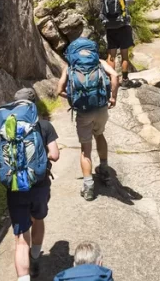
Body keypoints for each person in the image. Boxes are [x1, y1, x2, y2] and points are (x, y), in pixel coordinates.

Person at [0, 87, 60, 280]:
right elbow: (55, 155)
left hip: (16, 186)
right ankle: (35, 258)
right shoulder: (45, 126)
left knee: (20, 240)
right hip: (39, 185)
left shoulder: (7, 129)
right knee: (38, 219)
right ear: (33, 104)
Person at [57, 39, 119, 202]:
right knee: (99, 135)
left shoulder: (70, 66)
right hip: (101, 108)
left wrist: (74, 97)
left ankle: (88, 186)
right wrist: (113, 97)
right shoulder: (99, 63)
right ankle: (104, 169)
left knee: (85, 148)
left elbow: (59, 90)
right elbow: (115, 75)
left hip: (83, 112)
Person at [99, 0, 136, 87]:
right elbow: (133, 0)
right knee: (124, 54)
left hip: (110, 26)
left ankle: (111, 80)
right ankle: (124, 80)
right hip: (123, 26)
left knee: (112, 55)